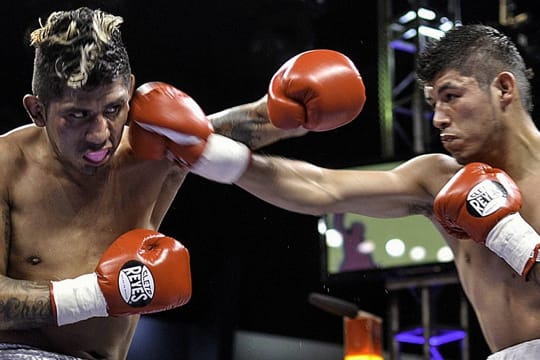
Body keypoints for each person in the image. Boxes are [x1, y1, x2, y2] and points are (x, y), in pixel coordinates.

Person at [130, 24, 540, 358]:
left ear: (503, 88)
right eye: (433, 103)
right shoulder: (439, 178)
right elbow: (322, 188)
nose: (437, 119)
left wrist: (508, 232)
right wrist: (206, 150)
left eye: (451, 97)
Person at [0, 6, 365, 360]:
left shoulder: (144, 153)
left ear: (129, 89)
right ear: (37, 110)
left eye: (113, 109)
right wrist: (95, 295)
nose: (100, 134)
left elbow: (211, 135)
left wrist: (290, 112)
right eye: (77, 115)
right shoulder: (6, 165)